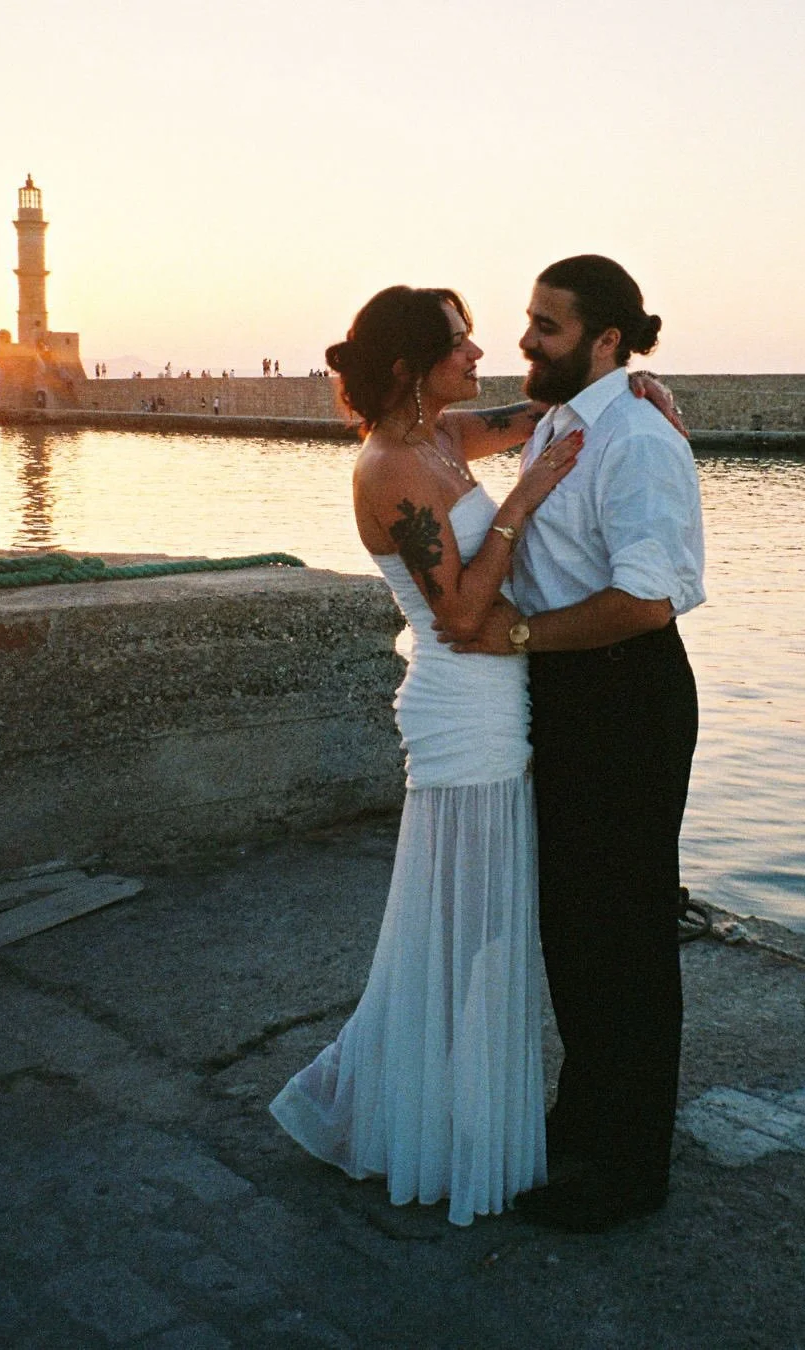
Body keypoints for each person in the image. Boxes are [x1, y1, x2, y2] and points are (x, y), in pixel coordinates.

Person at [269, 285, 587, 1226]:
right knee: (466, 928)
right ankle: (392, 1109)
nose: (478, 352)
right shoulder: (390, 469)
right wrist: (524, 497)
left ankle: (410, 1100)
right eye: (459, 343)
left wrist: (637, 386)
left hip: (496, 700)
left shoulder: (445, 436)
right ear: (411, 367)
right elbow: (459, 614)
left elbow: (538, 410)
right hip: (463, 708)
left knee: (478, 925)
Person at [443, 255, 705, 1233]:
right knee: (576, 927)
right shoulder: (563, 419)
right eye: (528, 319)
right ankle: (587, 1116)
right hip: (570, 692)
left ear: (605, 339)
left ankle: (632, 1168)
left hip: (625, 695)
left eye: (545, 326)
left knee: (626, 935)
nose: (524, 339)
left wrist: (515, 636)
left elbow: (644, 601)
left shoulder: (636, 440)